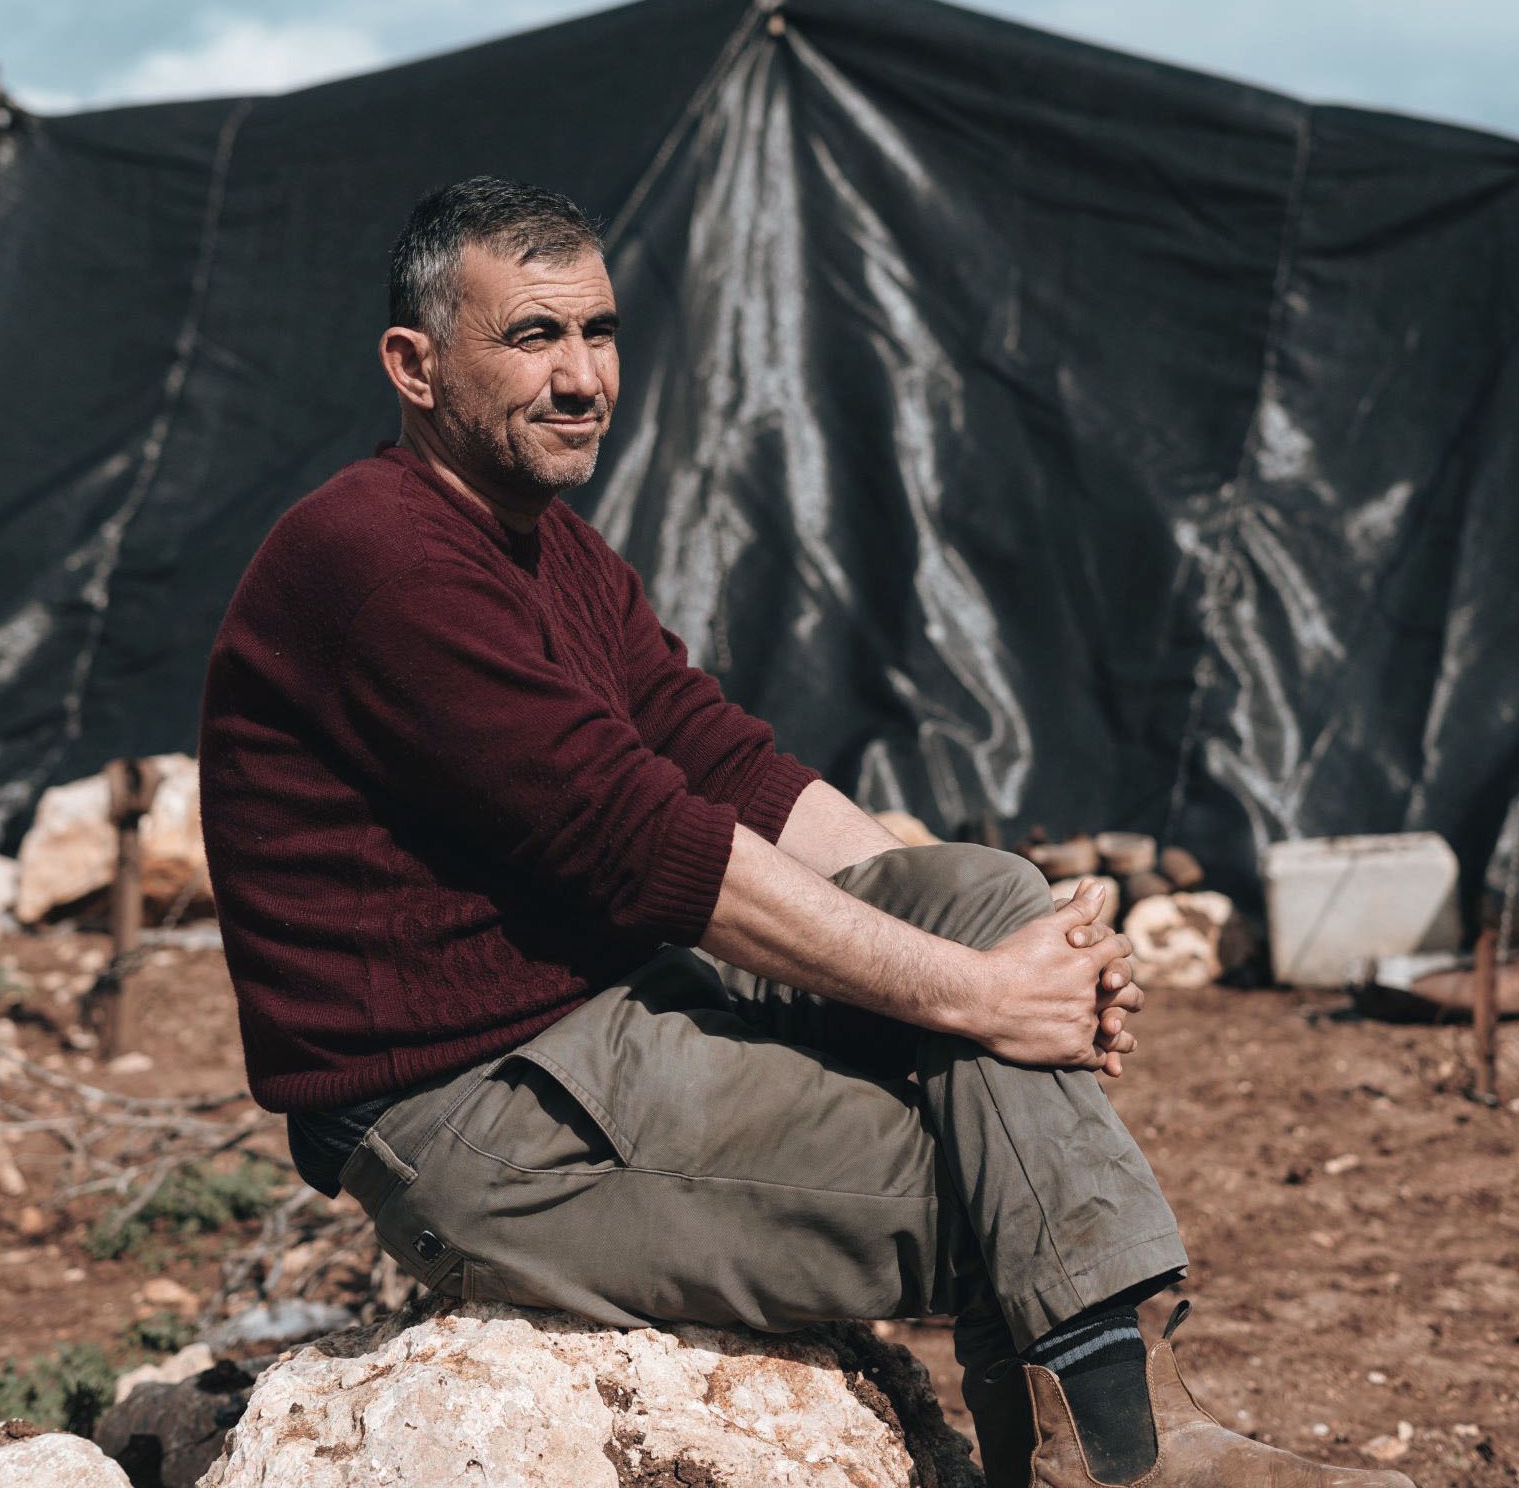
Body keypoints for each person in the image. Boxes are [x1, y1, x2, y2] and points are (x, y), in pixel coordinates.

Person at [198, 176, 1411, 1488]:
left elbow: (714, 754)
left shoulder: (547, 548)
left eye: (599, 333)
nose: (582, 376)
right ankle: (1119, 1457)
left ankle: (1089, 1443)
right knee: (1003, 1187)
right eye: (533, 337)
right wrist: (986, 1000)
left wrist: (1010, 944)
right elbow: (646, 843)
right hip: (479, 1109)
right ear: (414, 366)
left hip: (606, 1002)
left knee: (981, 886)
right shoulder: (382, 561)